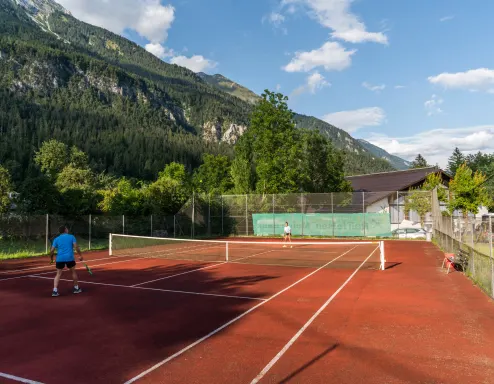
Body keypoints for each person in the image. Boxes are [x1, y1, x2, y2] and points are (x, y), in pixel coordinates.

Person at [49, 225, 84, 297]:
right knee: (73, 272)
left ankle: (55, 291)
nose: (67, 229)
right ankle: (76, 288)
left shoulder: (56, 239)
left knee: (58, 274)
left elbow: (52, 250)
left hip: (60, 258)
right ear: (65, 230)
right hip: (69, 258)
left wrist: (51, 259)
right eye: (67, 228)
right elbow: (76, 247)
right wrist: (80, 255)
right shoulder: (71, 237)